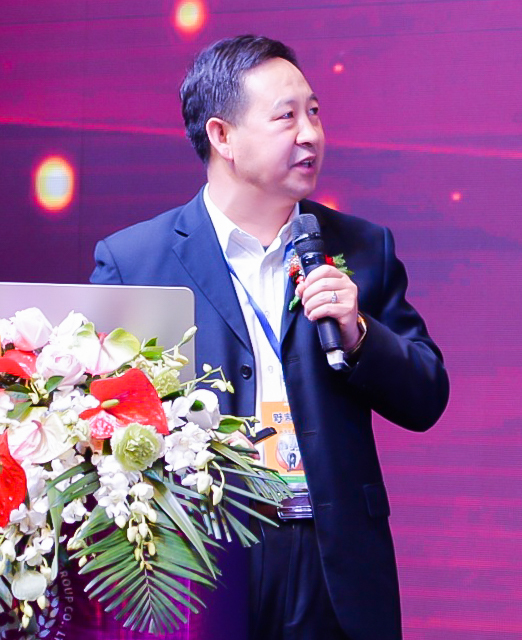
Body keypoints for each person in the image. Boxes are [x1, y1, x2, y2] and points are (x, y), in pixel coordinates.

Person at [91, 35, 449, 640]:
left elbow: (426, 395)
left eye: (315, 112)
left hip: (332, 559)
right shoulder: (136, 261)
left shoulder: (363, 248)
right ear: (222, 136)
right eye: (287, 117)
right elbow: (99, 421)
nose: (311, 134)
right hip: (201, 555)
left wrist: (359, 334)